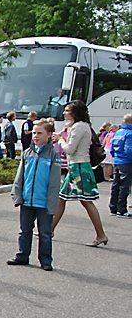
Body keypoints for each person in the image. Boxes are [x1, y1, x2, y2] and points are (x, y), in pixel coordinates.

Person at [51, 101, 108, 247]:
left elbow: (69, 149)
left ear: (75, 113)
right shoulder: (81, 126)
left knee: (86, 201)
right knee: (62, 198)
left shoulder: (79, 127)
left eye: (67, 110)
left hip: (79, 168)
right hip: (77, 167)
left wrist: (61, 140)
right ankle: (49, 230)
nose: (64, 113)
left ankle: (101, 235)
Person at [8, 119, 61, 271]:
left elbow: (54, 182)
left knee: (45, 233)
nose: (35, 136)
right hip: (27, 200)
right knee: (24, 230)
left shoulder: (53, 155)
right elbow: (20, 177)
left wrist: (52, 203)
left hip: (43, 202)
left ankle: (45, 260)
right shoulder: (27, 153)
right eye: (34, 133)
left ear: (49, 135)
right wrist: (17, 195)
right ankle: (22, 255)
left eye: (39, 133)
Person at [109, 113, 132, 217]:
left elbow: (112, 149)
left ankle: (113, 207)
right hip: (126, 161)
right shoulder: (130, 134)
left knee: (115, 184)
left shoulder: (118, 132)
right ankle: (121, 209)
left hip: (117, 161)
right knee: (124, 186)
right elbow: (129, 149)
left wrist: (116, 157)